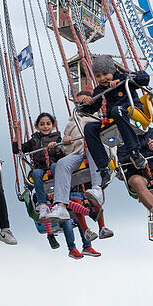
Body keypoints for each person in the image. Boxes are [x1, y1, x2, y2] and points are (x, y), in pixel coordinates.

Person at [83, 57, 150, 183]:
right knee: (89, 128)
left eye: (105, 74)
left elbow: (144, 78)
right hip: (114, 118)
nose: (102, 78)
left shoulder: (124, 77)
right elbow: (91, 109)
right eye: (98, 76)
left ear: (112, 71)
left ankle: (134, 152)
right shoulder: (100, 89)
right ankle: (103, 168)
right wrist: (87, 102)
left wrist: (122, 80)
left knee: (116, 110)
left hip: (132, 111)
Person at [48, 90, 105, 223]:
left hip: (99, 149)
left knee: (92, 148)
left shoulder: (99, 115)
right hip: (78, 152)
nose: (80, 105)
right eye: (78, 103)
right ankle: (60, 205)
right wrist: (67, 142)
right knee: (62, 163)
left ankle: (97, 188)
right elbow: (67, 151)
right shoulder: (71, 125)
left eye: (83, 102)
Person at [21, 112, 65, 222]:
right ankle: (42, 204)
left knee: (56, 166)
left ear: (53, 126)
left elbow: (63, 156)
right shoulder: (34, 140)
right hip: (40, 167)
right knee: (36, 173)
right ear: (37, 126)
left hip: (54, 164)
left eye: (48, 124)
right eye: (42, 124)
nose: (45, 126)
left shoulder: (57, 138)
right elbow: (18, 149)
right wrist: (16, 136)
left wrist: (56, 149)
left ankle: (59, 199)